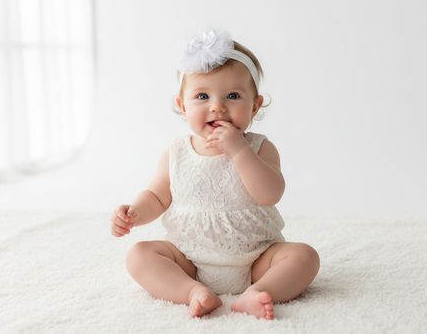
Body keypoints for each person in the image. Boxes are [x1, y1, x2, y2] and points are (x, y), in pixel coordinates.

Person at [110, 27, 320, 320]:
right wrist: (134, 211)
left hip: (256, 259)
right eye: (202, 96)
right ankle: (192, 292)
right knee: (139, 255)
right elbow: (157, 196)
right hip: (189, 258)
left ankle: (257, 293)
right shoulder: (176, 152)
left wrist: (239, 151)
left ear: (255, 105)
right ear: (183, 107)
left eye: (233, 95)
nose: (217, 106)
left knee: (304, 256)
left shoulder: (259, 148)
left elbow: (270, 194)